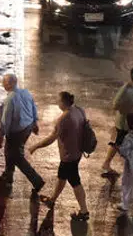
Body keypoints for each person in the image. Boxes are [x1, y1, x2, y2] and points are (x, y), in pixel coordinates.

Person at [29, 91, 90, 220]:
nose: (57, 102)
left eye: (58, 100)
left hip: (69, 156)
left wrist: (35, 146)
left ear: (63, 102)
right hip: (77, 152)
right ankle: (52, 200)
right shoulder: (79, 110)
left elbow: (52, 138)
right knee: (62, 177)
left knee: (75, 182)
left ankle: (84, 211)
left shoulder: (64, 118)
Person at [0, 73, 45, 195]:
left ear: (9, 84)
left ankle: (37, 181)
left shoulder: (9, 99)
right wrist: (35, 123)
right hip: (27, 128)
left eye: (4, 82)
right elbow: (34, 107)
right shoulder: (26, 93)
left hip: (16, 132)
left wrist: (1, 135)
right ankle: (8, 177)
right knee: (10, 152)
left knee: (16, 156)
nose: (2, 84)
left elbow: (5, 120)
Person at [102, 66, 133, 178]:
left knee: (121, 143)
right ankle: (110, 163)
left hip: (131, 121)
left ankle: (107, 163)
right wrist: (131, 109)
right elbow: (115, 105)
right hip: (124, 123)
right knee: (120, 143)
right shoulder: (125, 89)